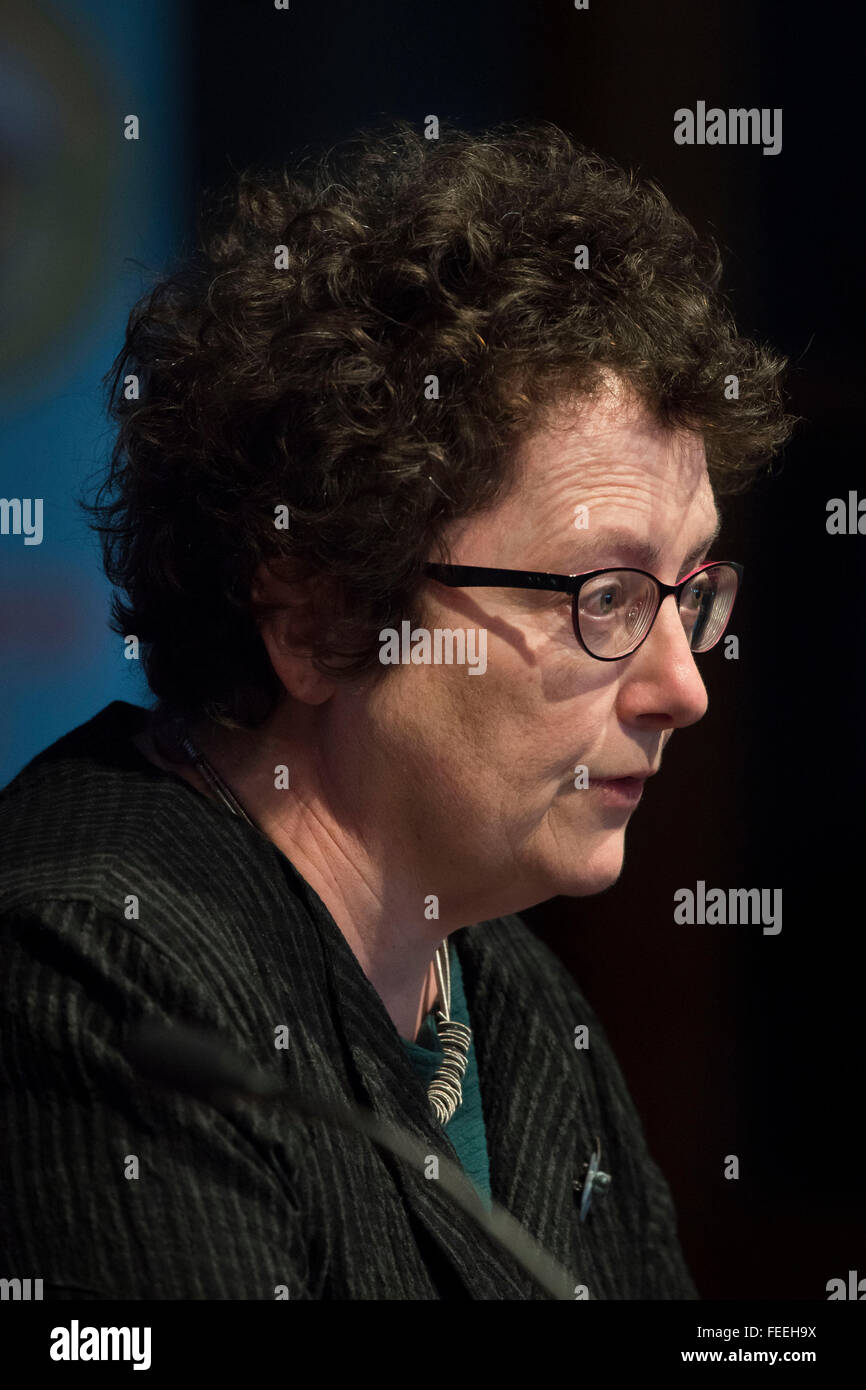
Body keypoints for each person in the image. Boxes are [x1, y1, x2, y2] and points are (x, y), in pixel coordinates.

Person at [0, 120, 793, 1299]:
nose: (680, 685)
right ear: (322, 617)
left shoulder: (510, 996)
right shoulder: (95, 973)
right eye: (605, 595)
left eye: (686, 594)